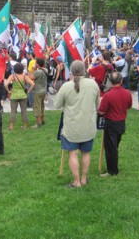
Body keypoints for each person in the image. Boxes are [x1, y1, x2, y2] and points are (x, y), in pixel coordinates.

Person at [54, 60, 99, 188]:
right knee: (86, 153)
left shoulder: (66, 86)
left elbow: (56, 105)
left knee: (73, 153)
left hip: (72, 127)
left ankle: (77, 181)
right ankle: (83, 179)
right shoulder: (93, 85)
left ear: (72, 72)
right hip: (87, 126)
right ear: (84, 70)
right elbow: (97, 104)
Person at [98, 72, 132, 177]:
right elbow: (129, 106)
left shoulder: (108, 95)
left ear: (111, 82)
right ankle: (113, 167)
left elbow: (101, 112)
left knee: (110, 148)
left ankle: (112, 171)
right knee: (115, 146)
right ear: (121, 81)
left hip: (111, 124)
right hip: (121, 123)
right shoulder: (127, 93)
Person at [4, 63, 34, 130]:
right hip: (23, 95)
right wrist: (28, 91)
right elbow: (33, 84)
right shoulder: (24, 76)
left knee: (13, 111)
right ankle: (25, 125)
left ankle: (11, 126)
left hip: (14, 95)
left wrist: (9, 91)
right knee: (24, 110)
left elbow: (5, 85)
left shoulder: (12, 76)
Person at [30, 57, 48, 128]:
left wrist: (32, 69)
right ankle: (43, 120)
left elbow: (31, 77)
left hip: (38, 91)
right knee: (42, 105)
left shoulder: (38, 72)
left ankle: (38, 123)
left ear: (37, 64)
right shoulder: (45, 70)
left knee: (37, 106)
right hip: (44, 90)